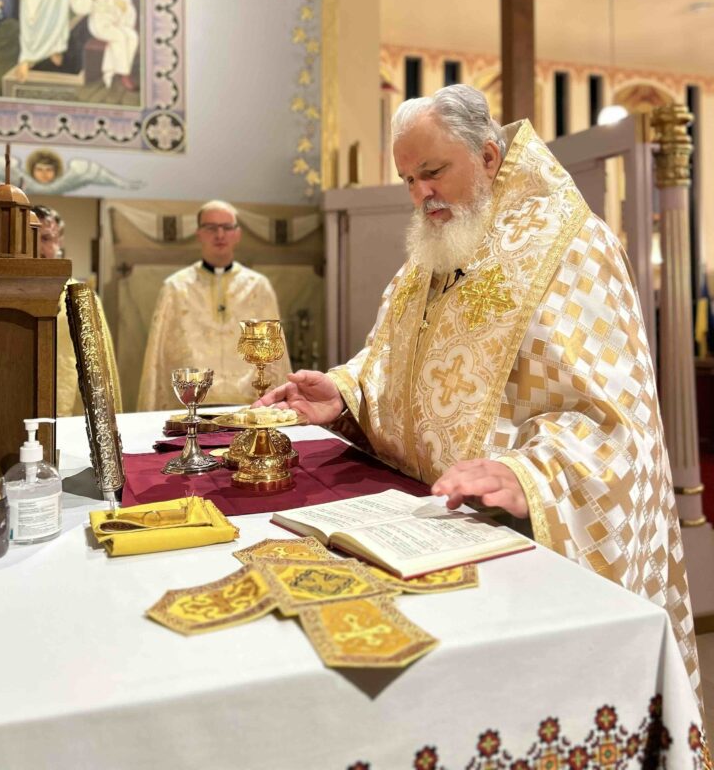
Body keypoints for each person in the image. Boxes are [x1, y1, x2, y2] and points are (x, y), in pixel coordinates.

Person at [258, 84, 700, 698]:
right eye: (408, 180)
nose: (421, 194)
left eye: (433, 172)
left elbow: (615, 419)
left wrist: (531, 474)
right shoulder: (437, 250)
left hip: (516, 538)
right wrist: (346, 392)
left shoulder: (572, 246)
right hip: (418, 530)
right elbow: (396, 364)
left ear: (489, 156)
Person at [138, 200, 291, 409]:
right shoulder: (176, 287)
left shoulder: (258, 287)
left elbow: (277, 356)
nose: (220, 235)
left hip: (250, 406)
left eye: (227, 227)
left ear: (237, 234)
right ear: (199, 234)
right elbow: (157, 359)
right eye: (211, 228)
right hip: (191, 406)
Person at [33, 205, 119, 418]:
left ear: (59, 241)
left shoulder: (81, 298)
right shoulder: (5, 296)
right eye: (30, 238)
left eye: (46, 238)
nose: (37, 248)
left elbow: (99, 372)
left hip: (73, 416)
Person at [66, 0, 138, 89]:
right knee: (120, 36)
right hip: (99, 24)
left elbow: (128, 9)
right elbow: (83, 7)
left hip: (116, 22)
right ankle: (124, 75)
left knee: (133, 36)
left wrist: (124, 8)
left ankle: (110, 72)